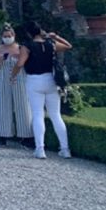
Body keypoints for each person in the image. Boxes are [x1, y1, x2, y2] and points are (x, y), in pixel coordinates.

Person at [11, 21, 73, 159]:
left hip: (34, 80)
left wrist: (13, 75)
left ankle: (40, 148)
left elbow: (20, 63)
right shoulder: (50, 44)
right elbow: (69, 46)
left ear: (28, 33)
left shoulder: (27, 46)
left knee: (38, 114)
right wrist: (55, 37)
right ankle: (65, 148)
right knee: (56, 115)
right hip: (51, 80)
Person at [0, 24, 32, 147]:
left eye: (9, 36)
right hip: (3, 78)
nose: (7, 38)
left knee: (23, 105)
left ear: (14, 36)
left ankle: (26, 135)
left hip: (20, 78)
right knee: (3, 105)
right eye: (5, 36)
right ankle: (3, 135)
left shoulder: (20, 48)